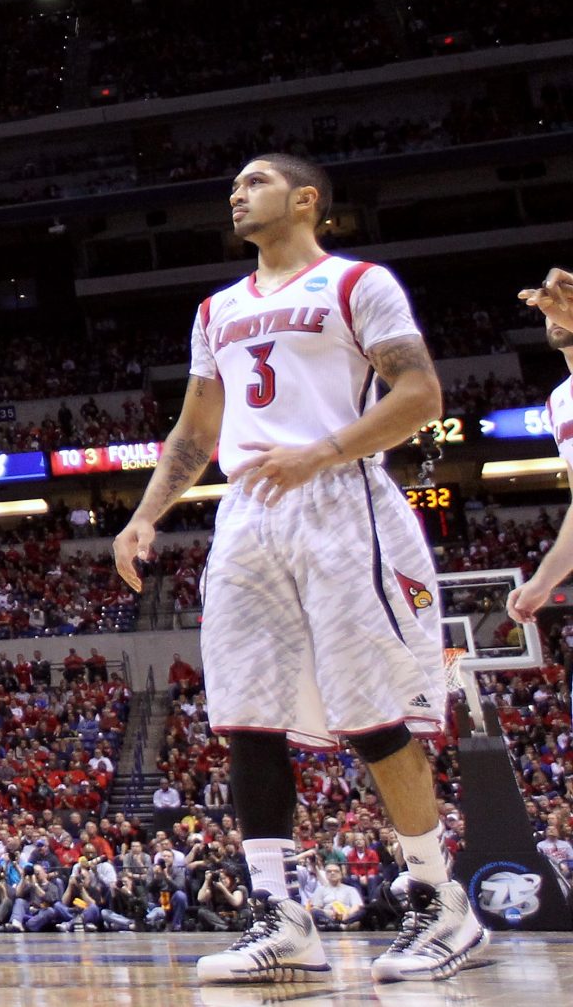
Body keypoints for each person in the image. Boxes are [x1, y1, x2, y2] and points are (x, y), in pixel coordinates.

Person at [113, 156, 479, 985]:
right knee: (246, 714)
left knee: (372, 711)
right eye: (233, 186)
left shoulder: (357, 281)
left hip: (341, 496)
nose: (236, 193)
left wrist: (323, 450)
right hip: (246, 512)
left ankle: (439, 900)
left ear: (307, 198)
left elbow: (421, 394)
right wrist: (144, 515)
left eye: (255, 180)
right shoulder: (216, 308)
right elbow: (194, 431)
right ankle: (281, 915)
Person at [509, 267, 573, 628]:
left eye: (564, 305)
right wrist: (543, 581)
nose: (553, 315)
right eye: (547, 312)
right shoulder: (558, 400)